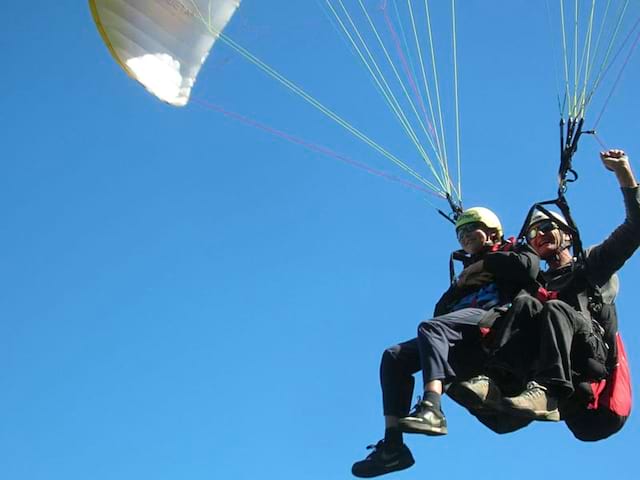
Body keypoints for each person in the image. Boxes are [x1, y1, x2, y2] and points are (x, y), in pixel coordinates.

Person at [456, 149, 639, 434]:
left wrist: (623, 173)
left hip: (587, 351)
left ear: (566, 234)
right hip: (554, 356)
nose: (538, 235)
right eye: (531, 234)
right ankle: (497, 382)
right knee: (523, 305)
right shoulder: (535, 281)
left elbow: (635, 227)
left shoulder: (591, 264)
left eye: (545, 227)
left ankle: (546, 391)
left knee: (553, 307)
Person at [352, 207, 539, 478]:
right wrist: (463, 282)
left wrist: (485, 265)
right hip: (461, 331)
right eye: (459, 233)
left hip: (497, 321)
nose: (463, 236)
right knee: (394, 356)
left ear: (491, 232)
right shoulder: (462, 277)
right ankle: (393, 447)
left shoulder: (514, 250)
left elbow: (529, 268)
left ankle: (432, 407)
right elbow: (442, 311)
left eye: (469, 229)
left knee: (431, 327)